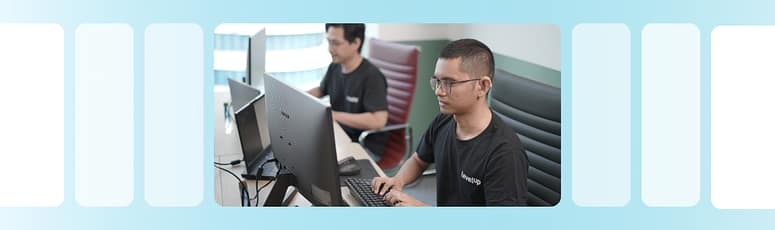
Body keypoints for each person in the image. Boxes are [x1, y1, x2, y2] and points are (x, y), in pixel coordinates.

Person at [371, 38, 529, 206]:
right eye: (437, 81)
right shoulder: (444, 120)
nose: (439, 91)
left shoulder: (504, 154)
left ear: (482, 86)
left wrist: (422, 210)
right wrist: (397, 180)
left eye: (449, 83)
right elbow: (419, 160)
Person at [307, 23, 389, 159]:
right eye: (328, 42)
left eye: (336, 43)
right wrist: (295, 96)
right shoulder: (335, 66)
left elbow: (378, 120)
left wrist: (333, 115)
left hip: (364, 145)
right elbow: (321, 90)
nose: (330, 49)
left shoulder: (372, 76)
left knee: (316, 161)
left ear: (356, 42)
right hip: (340, 135)